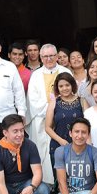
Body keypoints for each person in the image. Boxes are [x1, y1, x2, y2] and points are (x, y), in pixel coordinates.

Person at [27, 44, 71, 183]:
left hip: (62, 120)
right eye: (45, 56)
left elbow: (71, 95)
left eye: (51, 55)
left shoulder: (65, 72)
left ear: (57, 56)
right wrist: (51, 108)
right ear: (41, 58)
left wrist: (57, 111)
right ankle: (46, 183)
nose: (49, 59)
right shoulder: (35, 75)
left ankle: (64, 183)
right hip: (41, 121)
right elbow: (32, 101)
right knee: (42, 153)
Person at [44, 73, 87, 165]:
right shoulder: (54, 102)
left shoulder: (82, 101)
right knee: (60, 178)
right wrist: (61, 141)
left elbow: (88, 124)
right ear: (57, 88)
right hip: (58, 146)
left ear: (72, 85)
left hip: (80, 145)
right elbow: (47, 127)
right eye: (61, 86)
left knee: (78, 177)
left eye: (67, 85)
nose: (64, 88)